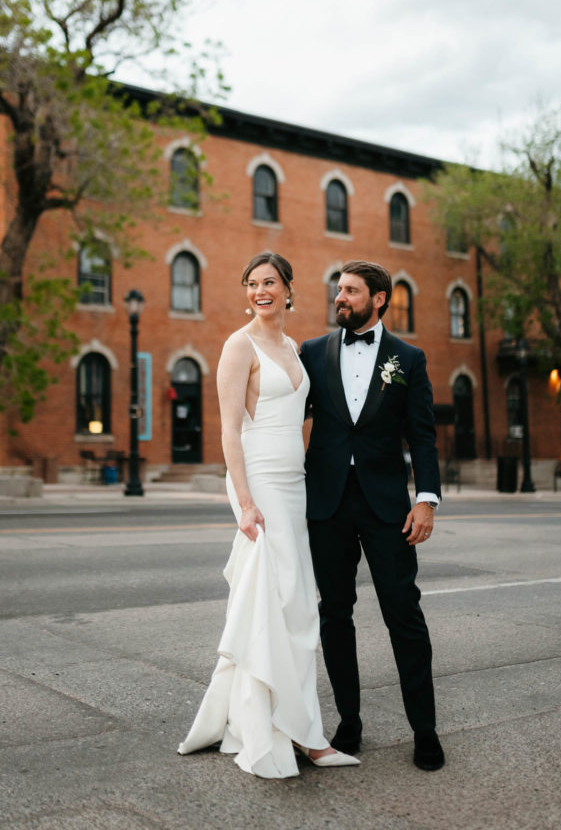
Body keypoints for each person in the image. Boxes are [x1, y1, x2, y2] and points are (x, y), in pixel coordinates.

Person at [177, 252, 359, 778]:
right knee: (285, 600)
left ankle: (288, 725)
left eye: (270, 282)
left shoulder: (295, 350)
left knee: (296, 606)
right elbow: (229, 430)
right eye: (253, 283)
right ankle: (297, 736)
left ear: (288, 289)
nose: (261, 290)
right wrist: (246, 500)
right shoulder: (240, 345)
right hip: (258, 482)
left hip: (294, 483)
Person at [299, 259, 445, 771]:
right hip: (328, 504)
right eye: (339, 289)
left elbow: (423, 435)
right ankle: (349, 723)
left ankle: (424, 730)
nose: (340, 298)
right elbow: (290, 418)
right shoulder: (312, 352)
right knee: (334, 614)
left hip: (388, 508)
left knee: (403, 613)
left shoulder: (409, 357)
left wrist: (426, 498)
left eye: (351, 291)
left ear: (378, 299)